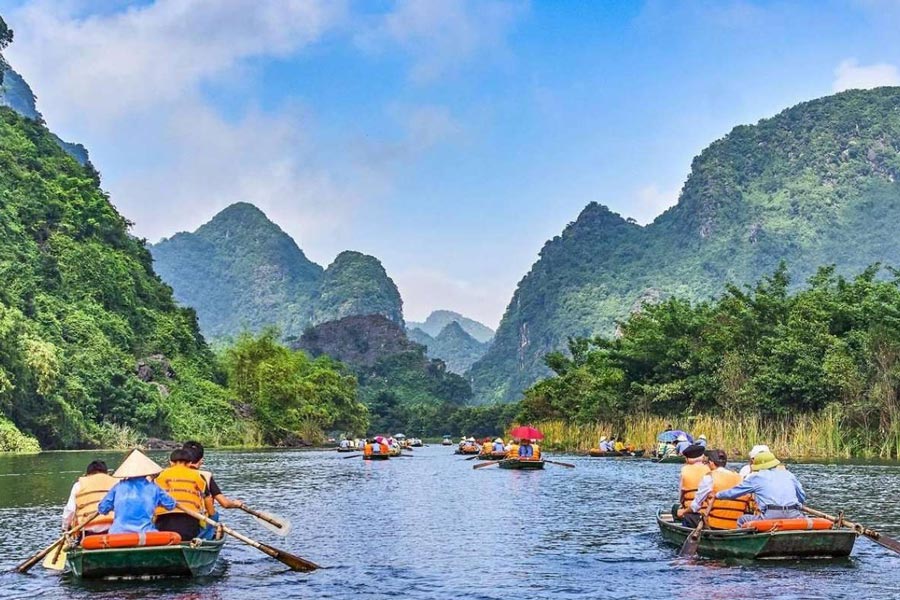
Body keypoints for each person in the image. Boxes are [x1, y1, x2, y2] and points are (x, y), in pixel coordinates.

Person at [714, 451, 806, 526]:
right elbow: (801, 495)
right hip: (794, 513)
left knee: (742, 519)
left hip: (770, 515)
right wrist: (798, 505)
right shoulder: (788, 474)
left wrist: (717, 495)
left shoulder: (757, 477)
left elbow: (733, 492)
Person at [98, 449, 176, 534]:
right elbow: (171, 505)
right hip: (146, 533)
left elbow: (102, 509)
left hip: (118, 533)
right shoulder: (154, 488)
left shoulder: (118, 487)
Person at [680, 449, 749, 529]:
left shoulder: (709, 477)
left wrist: (683, 512)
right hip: (736, 525)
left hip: (715, 526)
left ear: (711, 463)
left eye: (707, 463)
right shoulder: (740, 478)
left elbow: (695, 506)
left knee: (688, 516)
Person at [155, 448, 210, 540]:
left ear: (171, 463)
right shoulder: (198, 476)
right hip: (190, 520)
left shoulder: (160, 475)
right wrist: (212, 515)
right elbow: (208, 499)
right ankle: (201, 541)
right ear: (189, 463)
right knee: (211, 523)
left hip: (163, 523)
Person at [62, 460, 117, 536]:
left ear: (87, 474)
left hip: (87, 532)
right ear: (106, 473)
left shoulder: (78, 485)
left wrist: (65, 529)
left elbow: (70, 510)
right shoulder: (116, 483)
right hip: (114, 530)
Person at [673, 444, 709, 522]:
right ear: (702, 457)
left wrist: (682, 506)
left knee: (675, 509)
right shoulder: (710, 469)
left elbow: (681, 497)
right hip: (708, 511)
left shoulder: (684, 471)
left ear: (687, 459)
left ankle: (681, 525)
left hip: (691, 512)